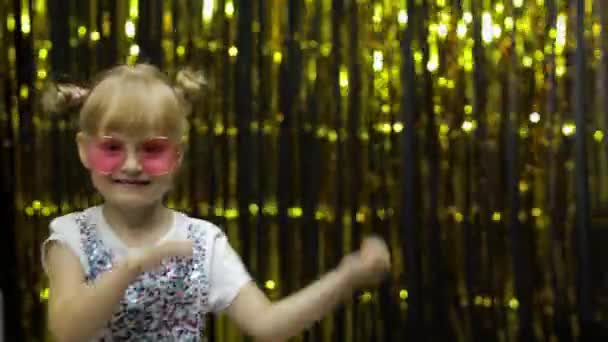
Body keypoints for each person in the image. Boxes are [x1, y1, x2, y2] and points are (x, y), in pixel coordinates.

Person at [41, 64, 391, 342]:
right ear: (85, 150)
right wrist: (130, 268)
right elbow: (68, 329)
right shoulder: (72, 235)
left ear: (177, 156)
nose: (131, 165)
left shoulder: (202, 240)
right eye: (112, 148)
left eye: (152, 150)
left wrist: (345, 277)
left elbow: (267, 324)